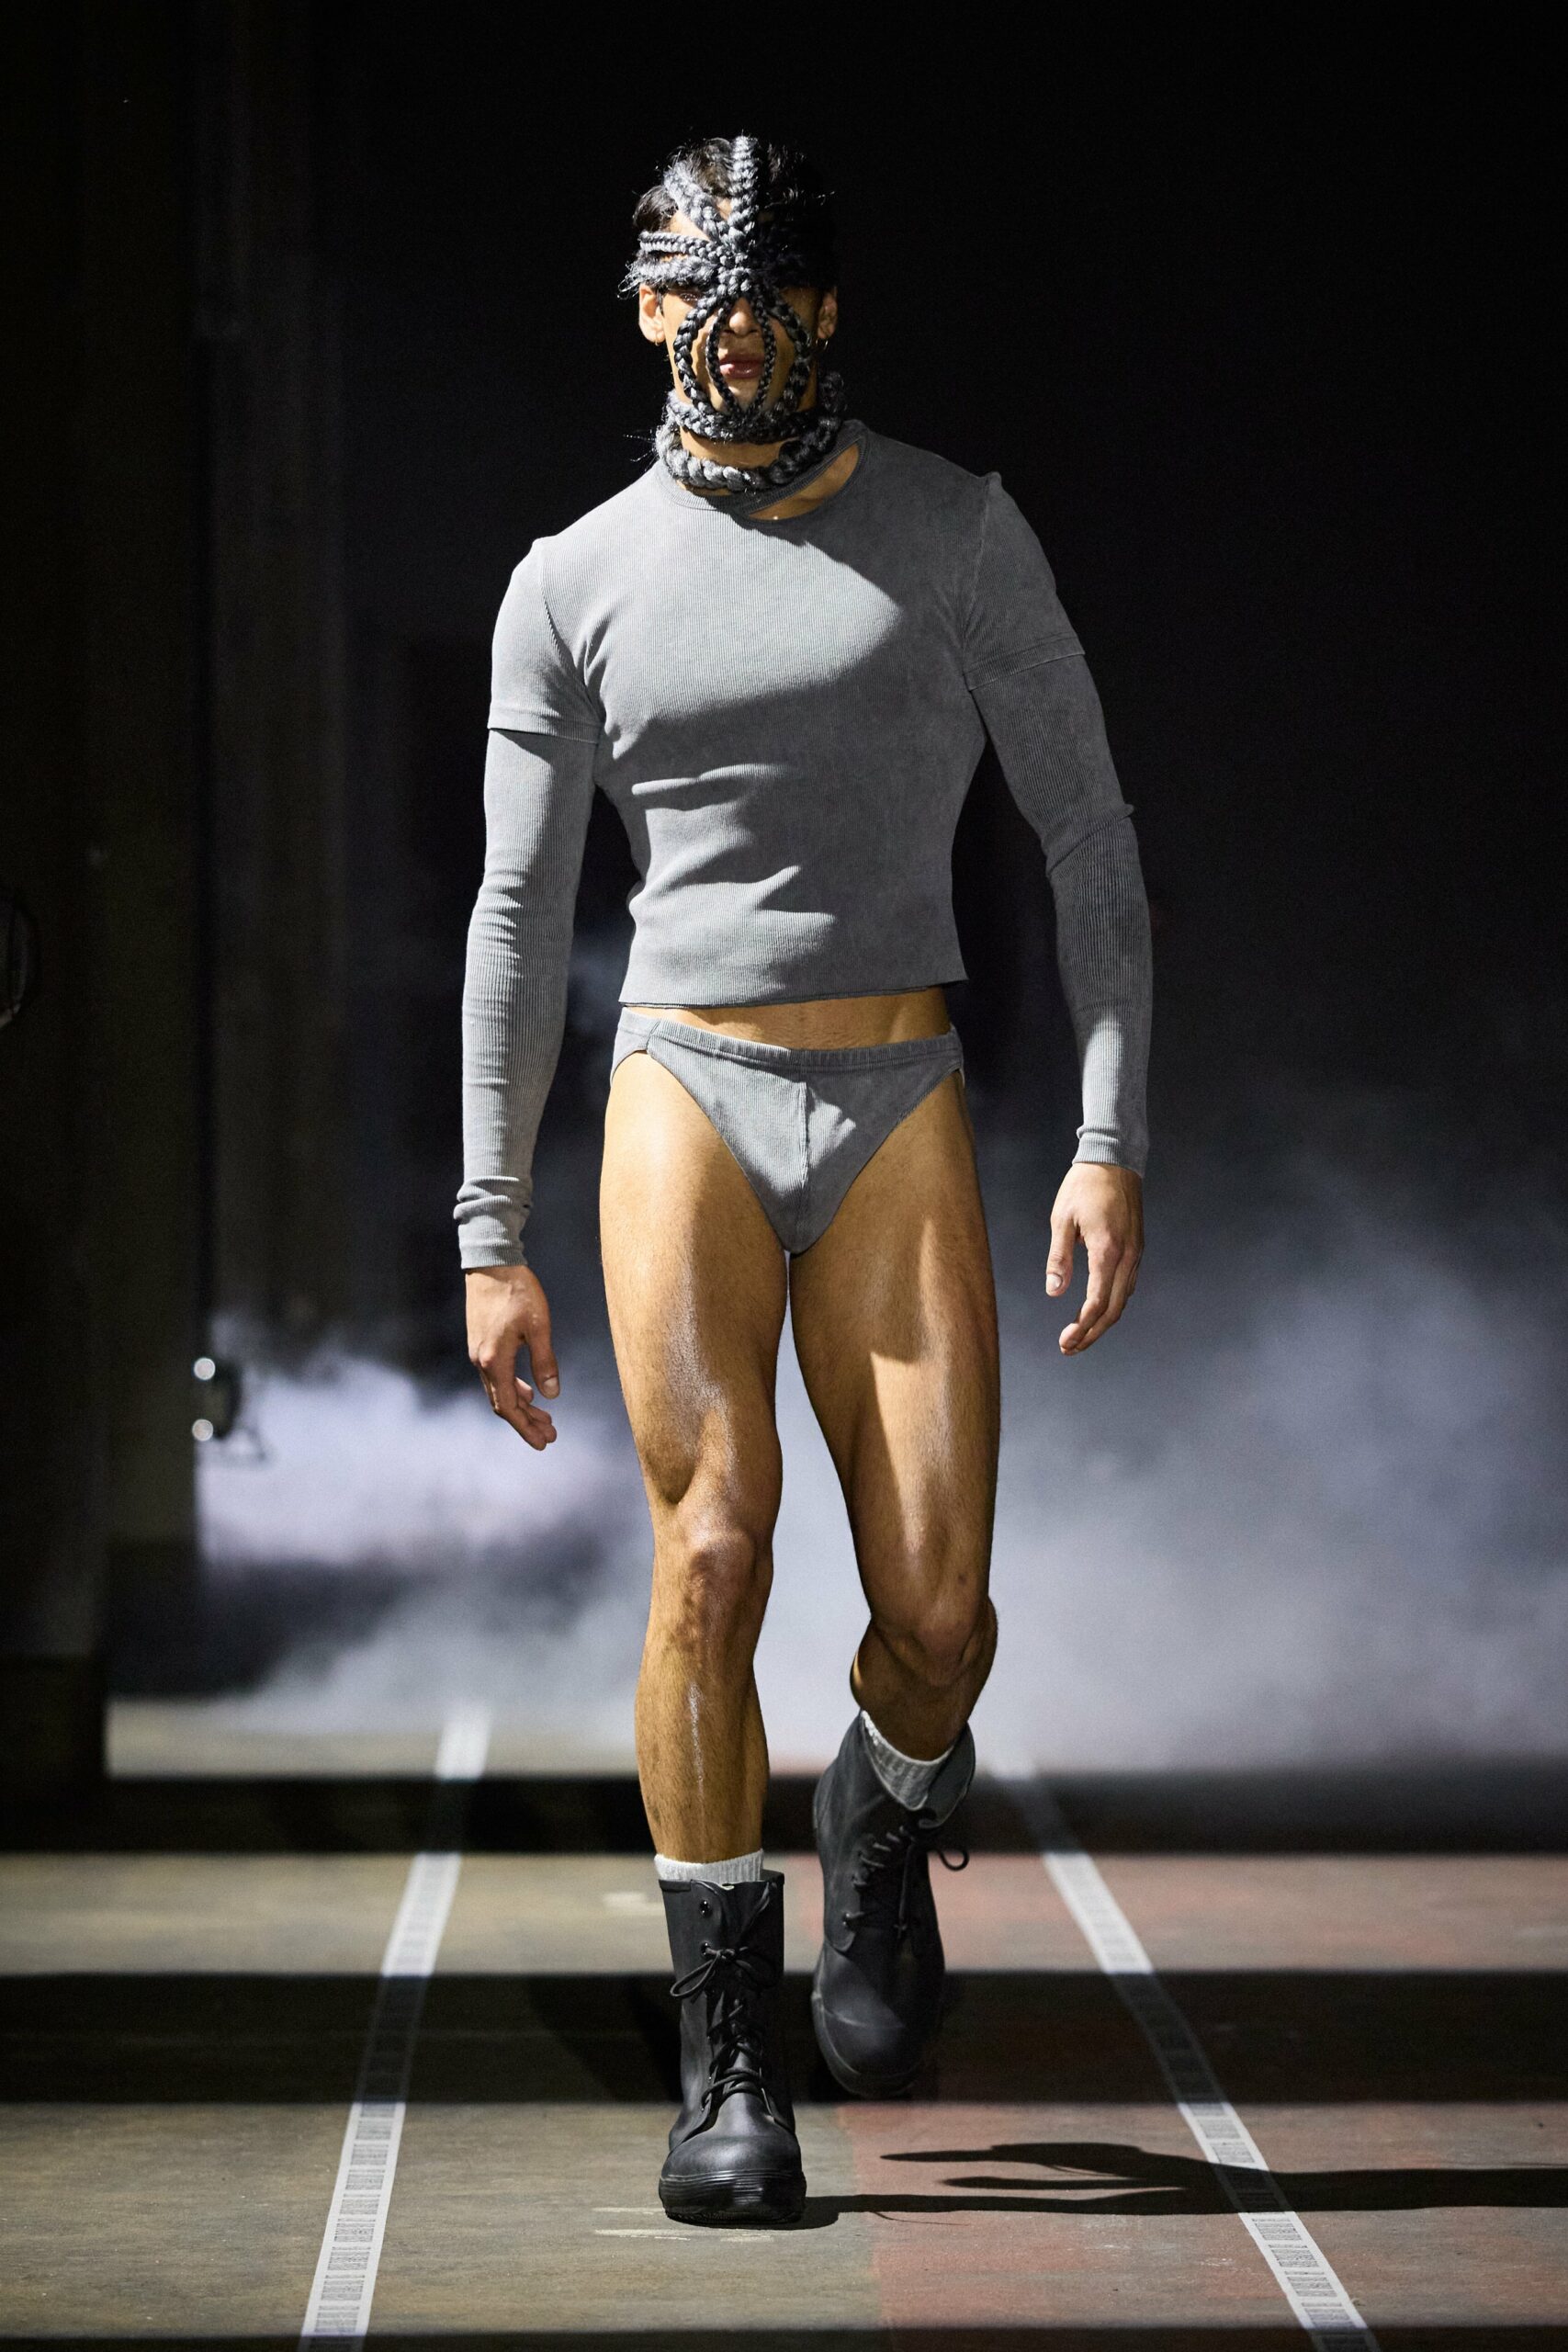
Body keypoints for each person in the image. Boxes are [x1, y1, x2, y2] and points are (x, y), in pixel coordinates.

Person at [457, 132, 1152, 2228]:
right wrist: (490, 1228)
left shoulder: (954, 531)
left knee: (936, 1612)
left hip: (895, 1091)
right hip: (683, 1080)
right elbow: (517, 912)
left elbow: (1088, 834)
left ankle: (881, 1804)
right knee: (712, 1549)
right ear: (646, 310)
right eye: (697, 292)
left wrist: (1108, 1135)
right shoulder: (571, 578)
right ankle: (724, 2063)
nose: (732, 328)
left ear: (825, 309)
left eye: (768, 293)